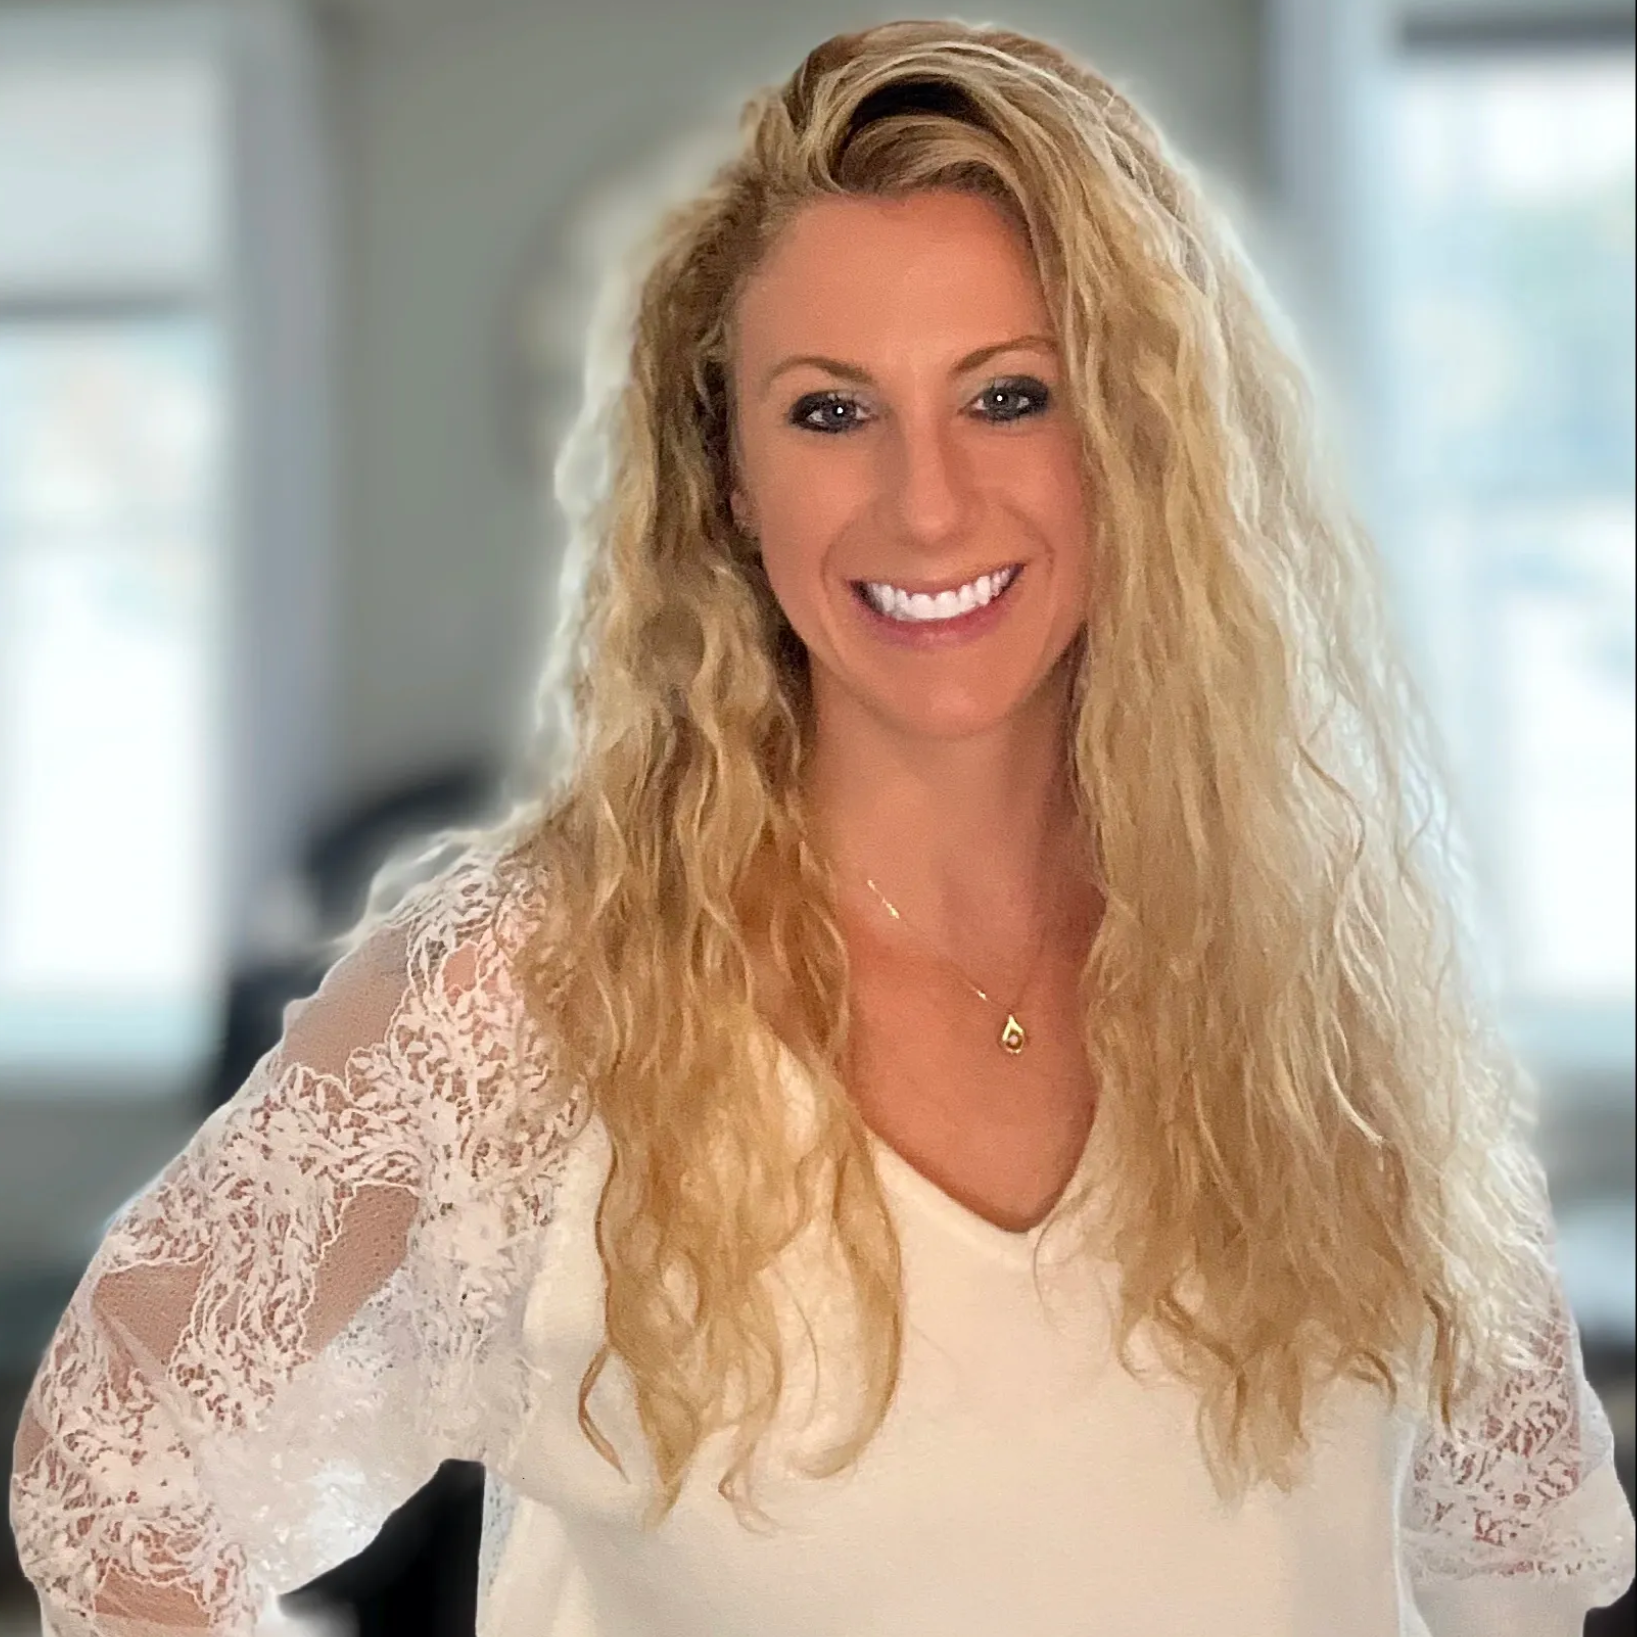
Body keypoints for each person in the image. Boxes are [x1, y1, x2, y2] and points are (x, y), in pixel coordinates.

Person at [9, 19, 1635, 1637]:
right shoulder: (530, 998)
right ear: (726, 477)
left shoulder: (1335, 971)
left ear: (1134, 445)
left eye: (1009, 396)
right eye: (831, 413)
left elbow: (1509, 1575)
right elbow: (114, 1468)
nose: (927, 505)